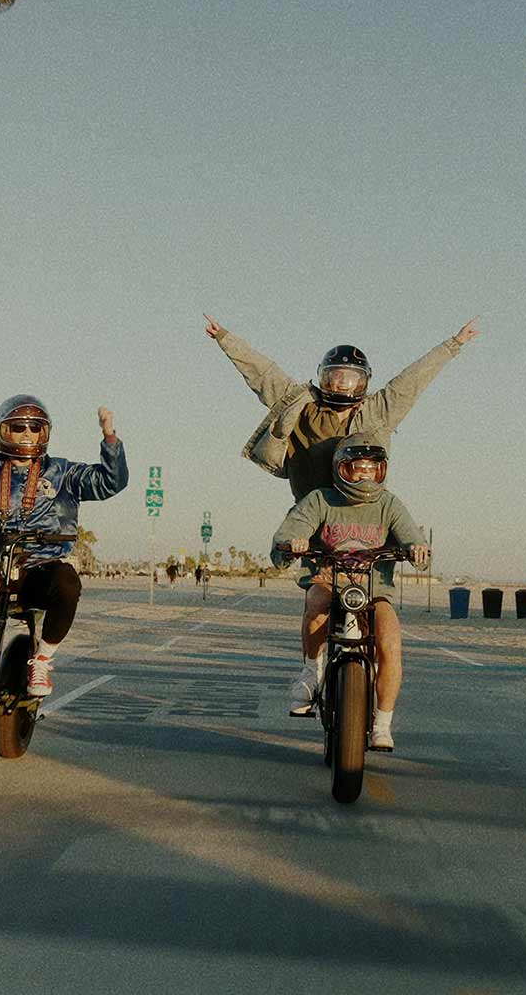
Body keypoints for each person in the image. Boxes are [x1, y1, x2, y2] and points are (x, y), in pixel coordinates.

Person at [0, 396, 127, 696]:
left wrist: (109, 436)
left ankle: (42, 658)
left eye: (35, 428)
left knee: (68, 585)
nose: (26, 435)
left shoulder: (64, 473)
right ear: (3, 430)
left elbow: (110, 482)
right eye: (18, 427)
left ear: (44, 433)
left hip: (40, 566)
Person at [204, 313, 480, 503]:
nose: (341, 385)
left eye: (350, 378)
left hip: (360, 511)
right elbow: (263, 372)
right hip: (309, 510)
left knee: (382, 575)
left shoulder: (377, 411)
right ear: (323, 376)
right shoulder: (300, 403)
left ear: (363, 381)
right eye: (334, 376)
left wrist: (453, 344)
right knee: (312, 581)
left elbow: (411, 381)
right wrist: (225, 339)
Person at [270, 433, 429, 752]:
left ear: (382, 470)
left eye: (372, 468)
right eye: (358, 468)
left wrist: (416, 549)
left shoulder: (388, 504)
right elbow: (288, 534)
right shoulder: (320, 499)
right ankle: (311, 671)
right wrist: (296, 542)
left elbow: (412, 537)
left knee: (390, 640)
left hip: (374, 591)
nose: (365, 475)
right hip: (329, 582)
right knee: (316, 598)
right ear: (342, 468)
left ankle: (382, 723)